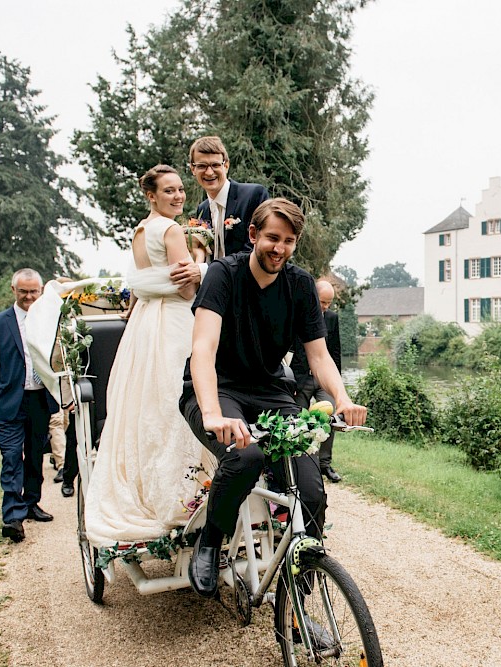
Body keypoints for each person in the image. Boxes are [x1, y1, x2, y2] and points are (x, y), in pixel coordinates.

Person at [179, 197, 367, 598]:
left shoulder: (300, 285)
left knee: (311, 491)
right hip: (217, 388)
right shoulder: (222, 275)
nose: (279, 248)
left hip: (269, 391)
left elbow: (318, 355)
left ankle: (297, 600)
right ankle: (211, 541)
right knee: (245, 456)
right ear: (252, 235)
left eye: (288, 240)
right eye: (271, 238)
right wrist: (213, 414)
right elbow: (203, 348)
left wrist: (343, 397)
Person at [84, 164, 209, 546]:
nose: (177, 196)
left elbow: (143, 282)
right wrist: (206, 268)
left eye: (179, 190)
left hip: (145, 324)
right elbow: (187, 290)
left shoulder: (140, 229)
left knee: (148, 405)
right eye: (168, 191)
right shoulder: (171, 230)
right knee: (181, 397)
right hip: (173, 321)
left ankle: (145, 489)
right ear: (151, 195)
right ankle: (185, 498)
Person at [0, 268, 60, 543]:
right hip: (8, 402)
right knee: (13, 457)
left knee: (35, 455)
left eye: (33, 291)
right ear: (13, 290)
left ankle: (32, 503)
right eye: (23, 291)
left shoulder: (50, 320)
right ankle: (13, 515)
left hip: (39, 399)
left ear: (40, 291)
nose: (28, 296)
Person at [168, 135, 269, 291]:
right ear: (193, 169)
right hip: (215, 293)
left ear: (226, 165)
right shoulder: (202, 210)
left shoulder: (253, 195)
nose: (209, 172)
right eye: (202, 166)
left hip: (249, 290)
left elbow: (255, 250)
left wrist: (204, 270)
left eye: (215, 165)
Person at [290, 280, 343, 482]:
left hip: (323, 380)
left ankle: (324, 464)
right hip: (300, 379)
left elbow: (335, 353)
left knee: (331, 416)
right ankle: (300, 465)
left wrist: (337, 385)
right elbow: (289, 352)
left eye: (329, 303)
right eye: (323, 301)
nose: (326, 306)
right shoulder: (298, 314)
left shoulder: (332, 318)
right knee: (297, 421)